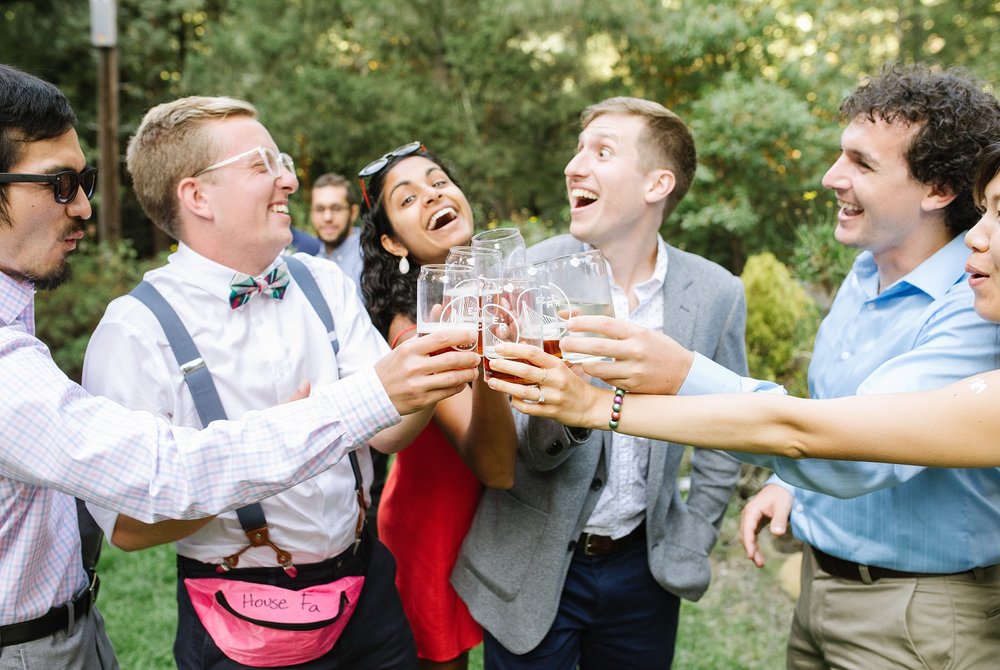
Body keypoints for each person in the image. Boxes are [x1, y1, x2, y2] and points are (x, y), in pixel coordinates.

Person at [489, 64, 1000, 669]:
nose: (830, 176)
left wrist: (658, 383)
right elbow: (833, 416)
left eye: (862, 164)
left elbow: (842, 446)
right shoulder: (866, 275)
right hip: (822, 588)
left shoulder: (974, 309)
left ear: (938, 189)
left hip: (922, 612)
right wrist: (787, 484)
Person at [0, 66, 477, 670]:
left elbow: (386, 426)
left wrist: (427, 378)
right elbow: (128, 521)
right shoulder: (132, 330)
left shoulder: (322, 280)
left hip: (369, 590)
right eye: (263, 165)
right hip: (240, 617)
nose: (289, 178)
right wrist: (298, 436)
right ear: (196, 195)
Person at [451, 97, 748, 669]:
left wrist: (694, 536)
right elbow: (520, 450)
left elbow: (727, 429)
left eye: (602, 151)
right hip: (533, 564)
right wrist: (568, 397)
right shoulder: (526, 274)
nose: (574, 165)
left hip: (643, 571)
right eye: (578, 149)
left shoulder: (716, 293)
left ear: (657, 183)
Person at [357, 142, 517, 670]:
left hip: (498, 525)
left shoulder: (505, 289)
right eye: (408, 199)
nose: (433, 195)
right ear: (392, 242)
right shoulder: (413, 336)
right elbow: (492, 464)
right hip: (434, 529)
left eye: (439, 180)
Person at [312, 172, 363, 290]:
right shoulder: (312, 265)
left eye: (336, 208)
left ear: (353, 213)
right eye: (319, 209)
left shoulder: (374, 255)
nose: (327, 217)